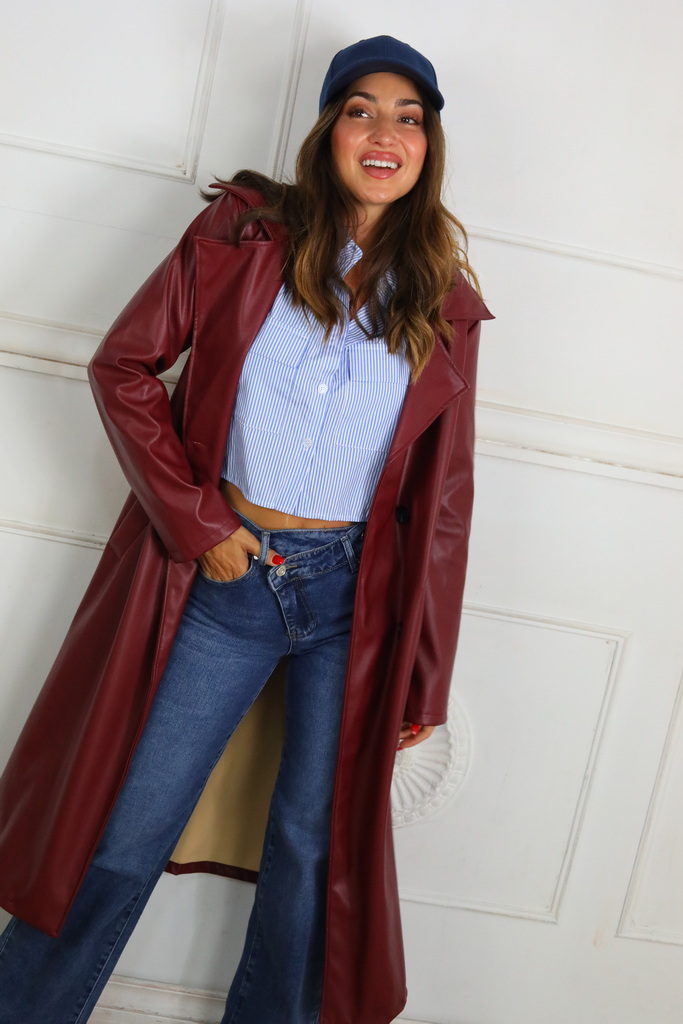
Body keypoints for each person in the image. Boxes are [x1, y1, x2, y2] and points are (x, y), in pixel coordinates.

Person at [0, 34, 493, 1024]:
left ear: (428, 145)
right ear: (328, 129)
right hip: (227, 575)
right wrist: (197, 524)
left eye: (408, 117)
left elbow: (443, 502)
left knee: (312, 856)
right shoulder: (244, 236)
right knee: (123, 830)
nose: (384, 132)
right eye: (361, 110)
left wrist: (426, 672)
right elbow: (122, 368)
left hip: (351, 598)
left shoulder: (441, 297)